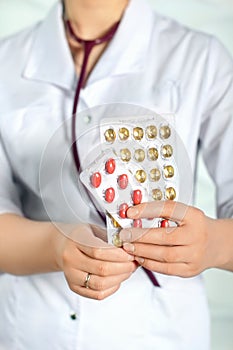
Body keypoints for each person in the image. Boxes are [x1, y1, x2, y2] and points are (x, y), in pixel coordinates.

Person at [0, 0, 232, 349]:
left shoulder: (200, 57)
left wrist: (214, 244)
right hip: (33, 330)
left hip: (160, 332)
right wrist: (56, 245)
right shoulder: (6, 61)